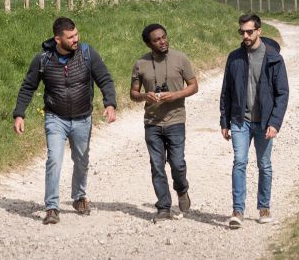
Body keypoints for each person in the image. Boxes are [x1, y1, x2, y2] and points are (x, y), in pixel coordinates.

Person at [13, 16, 117, 225]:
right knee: (54, 160)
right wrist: (19, 114)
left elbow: (104, 78)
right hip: (55, 118)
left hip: (82, 118)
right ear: (58, 39)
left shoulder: (88, 54)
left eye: (76, 34)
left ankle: (79, 197)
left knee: (81, 161)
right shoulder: (42, 59)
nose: (76, 39)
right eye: (70, 37)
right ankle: (52, 207)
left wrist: (110, 103)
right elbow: (28, 87)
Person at [219, 12, 289, 228]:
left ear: (259, 31)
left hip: (264, 122)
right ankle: (237, 211)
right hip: (240, 120)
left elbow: (282, 93)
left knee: (264, 164)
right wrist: (224, 121)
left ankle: (264, 206)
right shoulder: (234, 57)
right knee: (239, 162)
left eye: (249, 31)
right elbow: (226, 91)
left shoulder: (273, 57)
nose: (246, 35)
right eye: (242, 32)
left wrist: (275, 123)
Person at [130, 22, 199, 222]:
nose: (162, 41)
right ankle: (163, 207)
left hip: (176, 119)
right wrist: (145, 97)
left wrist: (175, 95)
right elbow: (133, 94)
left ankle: (182, 189)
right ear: (148, 44)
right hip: (152, 122)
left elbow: (194, 86)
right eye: (157, 39)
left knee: (177, 163)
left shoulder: (181, 58)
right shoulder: (140, 64)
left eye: (164, 37)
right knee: (157, 166)